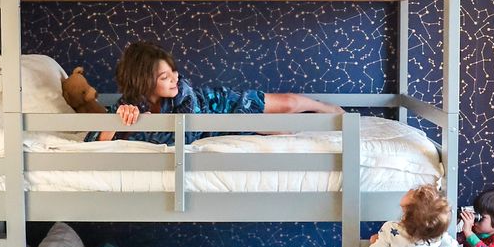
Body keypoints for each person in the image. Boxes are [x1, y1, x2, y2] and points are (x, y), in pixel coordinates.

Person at [86, 40, 342, 145]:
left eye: (173, 71)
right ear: (144, 82)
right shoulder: (130, 106)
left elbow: (191, 125)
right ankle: (312, 124)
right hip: (217, 126)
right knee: (284, 131)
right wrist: (120, 120)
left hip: (219, 105)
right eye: (165, 77)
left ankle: (323, 107)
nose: (175, 78)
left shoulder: (183, 94)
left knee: (287, 103)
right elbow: (95, 140)